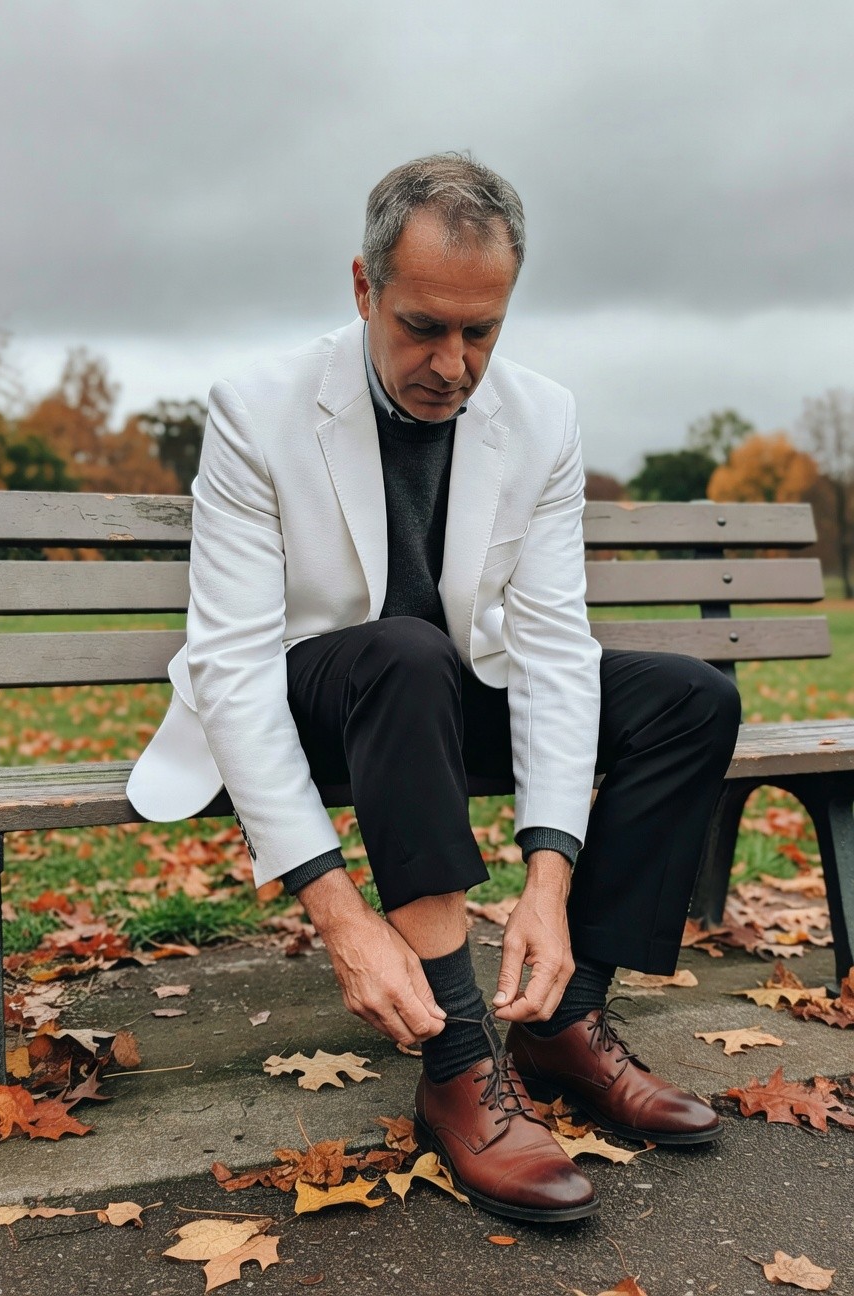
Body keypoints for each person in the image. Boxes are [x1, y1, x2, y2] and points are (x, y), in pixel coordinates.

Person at [128, 152, 741, 1224]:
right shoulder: (258, 409)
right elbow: (231, 664)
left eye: (481, 332)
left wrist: (549, 876)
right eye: (422, 327)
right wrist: (340, 914)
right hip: (314, 700)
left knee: (691, 699)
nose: (454, 365)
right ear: (363, 288)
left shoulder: (542, 417)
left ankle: (564, 1024)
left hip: (440, 694)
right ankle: (459, 1066)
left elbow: (554, 647)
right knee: (405, 652)